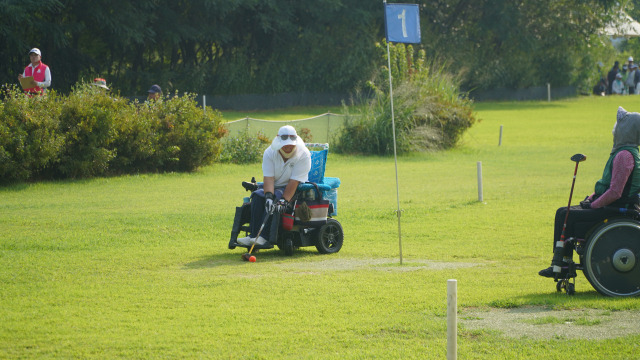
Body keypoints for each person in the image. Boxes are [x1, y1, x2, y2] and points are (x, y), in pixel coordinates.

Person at [538, 106, 640, 278]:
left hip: (615, 208)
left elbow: (615, 192)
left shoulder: (624, 156)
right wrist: (592, 198)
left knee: (565, 214)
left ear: (625, 131)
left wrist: (594, 204)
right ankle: (561, 262)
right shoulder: (628, 153)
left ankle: (561, 264)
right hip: (614, 204)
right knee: (563, 212)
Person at [237, 126, 312, 246]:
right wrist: (268, 196)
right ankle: (253, 235)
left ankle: (264, 237)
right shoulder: (269, 152)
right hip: (273, 185)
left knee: (276, 200)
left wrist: (283, 201)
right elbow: (269, 178)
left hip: (293, 189)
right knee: (257, 196)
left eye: (291, 144)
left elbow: (294, 182)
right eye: (285, 144)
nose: (288, 147)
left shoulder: (304, 155)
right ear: (278, 141)